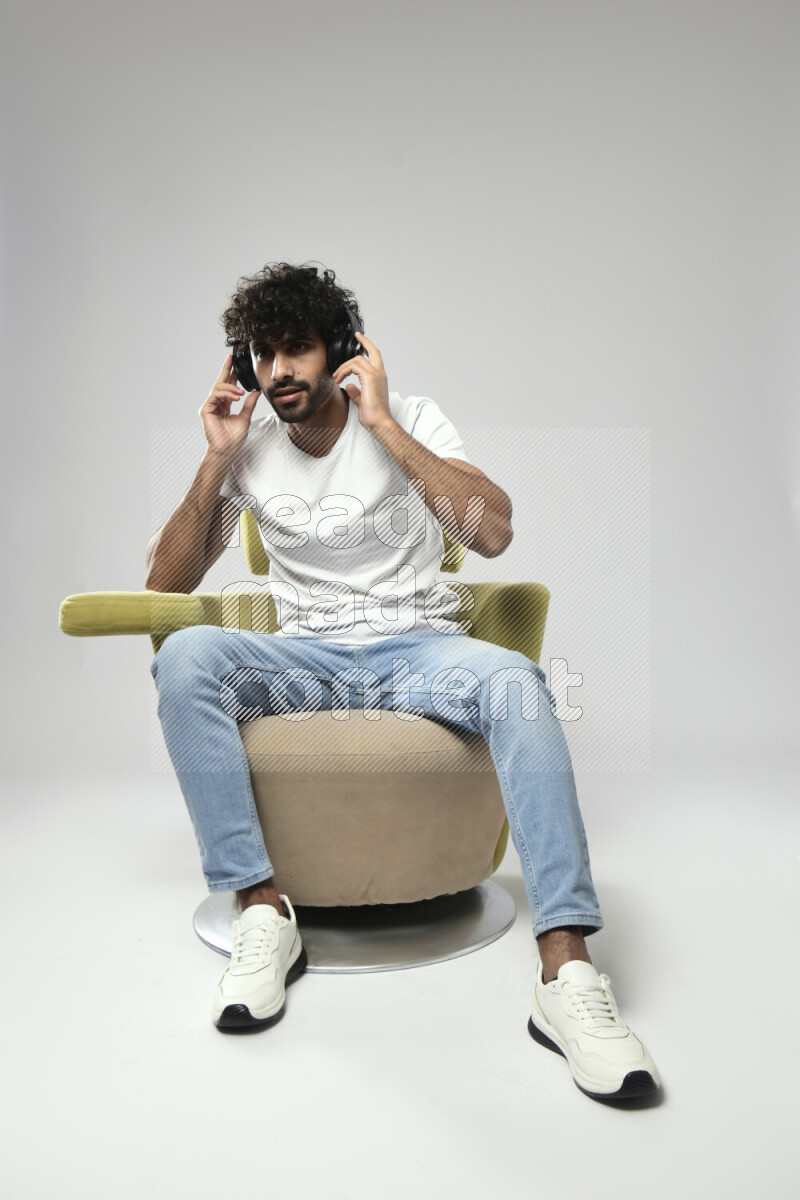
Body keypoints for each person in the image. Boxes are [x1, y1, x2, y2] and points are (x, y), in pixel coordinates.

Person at [146, 262, 661, 1101]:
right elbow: (166, 586)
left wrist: (382, 424)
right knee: (185, 657)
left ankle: (565, 969)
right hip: (307, 660)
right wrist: (216, 460)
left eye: (297, 348)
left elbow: (492, 533)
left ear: (341, 350)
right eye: (263, 354)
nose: (279, 371)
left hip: (419, 651)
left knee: (518, 683)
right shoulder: (251, 451)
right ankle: (261, 910)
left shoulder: (412, 418)